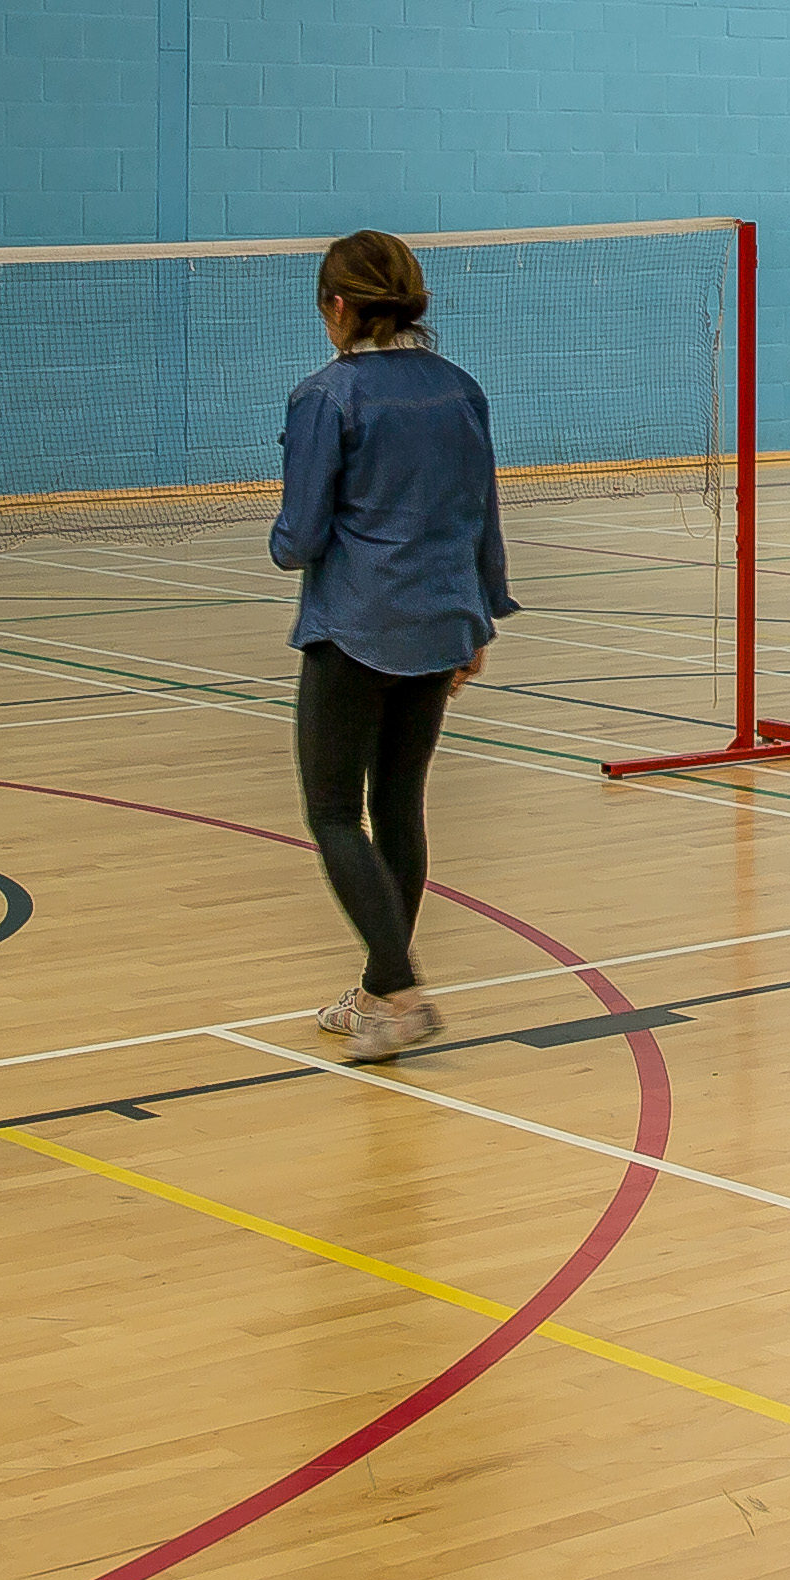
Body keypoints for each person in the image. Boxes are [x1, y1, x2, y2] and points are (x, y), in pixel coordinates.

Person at [271, 229, 514, 1061]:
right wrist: (479, 609)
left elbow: (300, 537)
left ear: (338, 307)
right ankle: (379, 992)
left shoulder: (327, 396)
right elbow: (482, 506)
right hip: (442, 620)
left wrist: (281, 540)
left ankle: (400, 988)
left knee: (335, 810)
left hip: (356, 626)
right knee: (399, 804)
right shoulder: (460, 390)